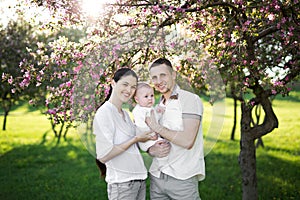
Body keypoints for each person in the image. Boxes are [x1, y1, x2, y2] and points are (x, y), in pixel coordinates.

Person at [145, 58, 205, 200]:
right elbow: (148, 138)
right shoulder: (156, 106)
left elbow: (187, 141)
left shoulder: (190, 100)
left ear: (173, 75)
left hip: (182, 179)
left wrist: (158, 127)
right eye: (154, 77)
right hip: (157, 176)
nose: (158, 80)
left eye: (163, 75)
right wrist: (151, 150)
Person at [93, 68, 156, 200]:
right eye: (125, 84)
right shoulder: (104, 113)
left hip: (139, 180)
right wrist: (135, 139)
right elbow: (103, 156)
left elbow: (136, 143)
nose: (129, 90)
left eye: (133, 87)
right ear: (113, 83)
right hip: (122, 185)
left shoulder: (126, 114)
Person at [132, 82, 165, 152]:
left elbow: (155, 118)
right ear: (137, 99)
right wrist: (151, 134)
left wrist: (159, 112)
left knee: (165, 145)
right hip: (146, 140)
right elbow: (141, 125)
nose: (150, 98)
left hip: (154, 136)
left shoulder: (150, 108)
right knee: (163, 145)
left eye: (152, 95)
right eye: (146, 96)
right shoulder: (139, 111)